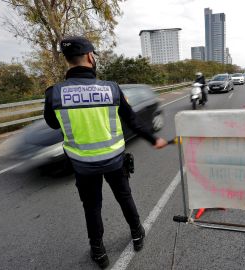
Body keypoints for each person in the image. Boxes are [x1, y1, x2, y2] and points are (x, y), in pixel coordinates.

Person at [44, 36, 167, 269]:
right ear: (90, 57)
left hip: (82, 165)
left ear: (67, 60)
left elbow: (52, 124)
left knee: (92, 207)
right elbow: (133, 121)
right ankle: (137, 233)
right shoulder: (111, 89)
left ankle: (99, 251)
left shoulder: (54, 93)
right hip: (114, 161)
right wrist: (154, 139)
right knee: (124, 197)